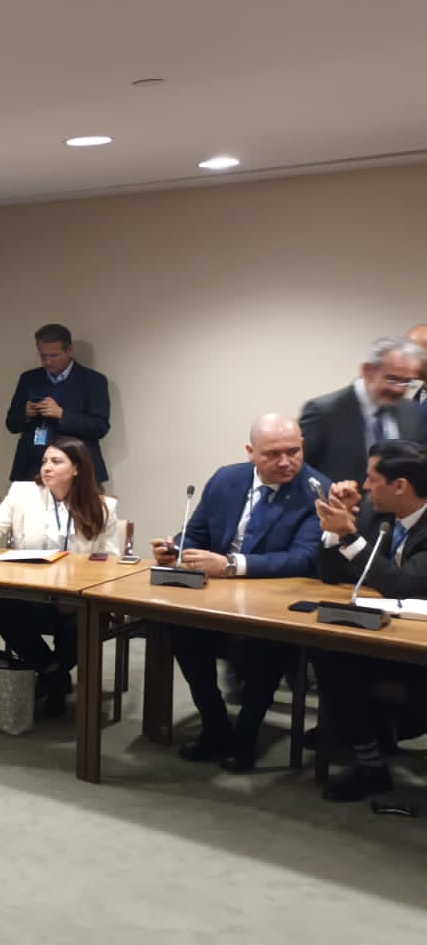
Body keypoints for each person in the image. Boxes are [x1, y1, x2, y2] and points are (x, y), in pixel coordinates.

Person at [148, 415, 330, 771]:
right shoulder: (226, 479)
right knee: (179, 629)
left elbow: (302, 558)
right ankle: (214, 723)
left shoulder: (316, 489)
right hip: (215, 595)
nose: (286, 462)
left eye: (294, 451)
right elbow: (195, 533)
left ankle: (246, 735)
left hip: (274, 600)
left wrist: (230, 565)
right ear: (251, 452)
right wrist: (176, 548)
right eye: (273, 454)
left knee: (268, 646)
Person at [0, 435, 120, 714]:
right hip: (32, 593)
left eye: (56, 462)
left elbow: (110, 558)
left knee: (81, 626)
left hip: (78, 597)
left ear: (77, 468)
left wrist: (80, 589)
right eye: (45, 461)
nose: (47, 467)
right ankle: (52, 672)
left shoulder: (103, 506)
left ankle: (52, 677)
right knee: (5, 612)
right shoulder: (23, 493)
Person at [307, 440, 427, 801]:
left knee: (344, 663)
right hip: (387, 637)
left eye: (372, 479)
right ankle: (368, 755)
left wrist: (349, 533)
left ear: (400, 485)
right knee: (329, 650)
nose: (363, 485)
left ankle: (370, 749)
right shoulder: (382, 517)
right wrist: (336, 523)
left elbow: (404, 585)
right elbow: (331, 574)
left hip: (419, 652)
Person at [298, 336, 424, 485]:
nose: (399, 389)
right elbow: (301, 470)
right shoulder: (324, 412)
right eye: (392, 379)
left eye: (407, 382)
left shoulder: (413, 412)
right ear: (367, 370)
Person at [3, 323, 111, 485]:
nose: (47, 362)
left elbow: (100, 427)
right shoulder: (29, 379)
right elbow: (11, 424)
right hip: (31, 468)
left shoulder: (93, 381)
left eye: (54, 356)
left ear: (69, 350)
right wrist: (25, 414)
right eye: (43, 356)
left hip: (76, 469)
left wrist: (62, 415)